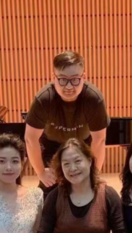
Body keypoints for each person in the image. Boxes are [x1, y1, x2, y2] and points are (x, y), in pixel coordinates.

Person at [25, 50, 110, 198]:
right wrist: (41, 172)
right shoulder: (44, 99)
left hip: (83, 145)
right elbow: (30, 138)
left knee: (86, 191)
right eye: (63, 79)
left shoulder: (93, 99)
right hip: (52, 147)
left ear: (84, 77)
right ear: (54, 78)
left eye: (75, 79)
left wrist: (93, 175)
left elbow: (99, 140)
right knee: (50, 194)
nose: (69, 86)